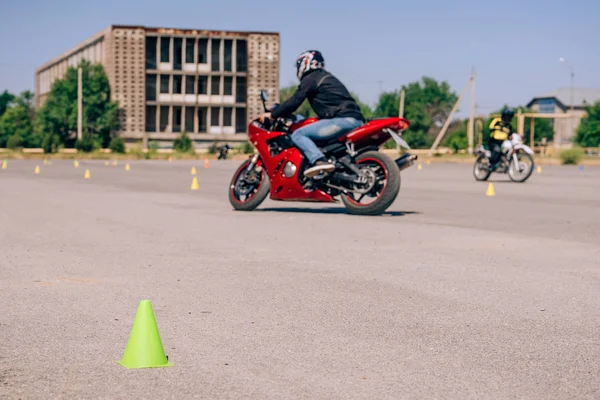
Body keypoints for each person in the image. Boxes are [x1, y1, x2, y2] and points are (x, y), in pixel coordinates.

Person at [259, 50, 365, 178]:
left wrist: (273, 114)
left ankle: (318, 160)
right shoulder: (326, 77)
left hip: (341, 120)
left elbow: (295, 100)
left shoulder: (311, 78)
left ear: (305, 63)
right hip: (355, 120)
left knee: (298, 134)